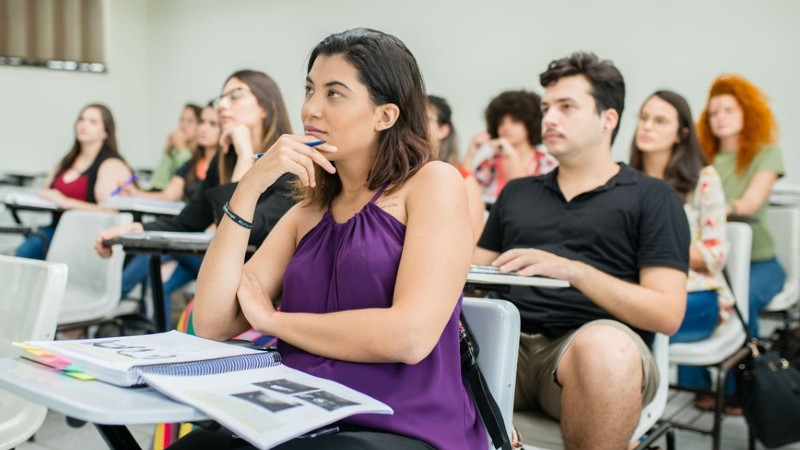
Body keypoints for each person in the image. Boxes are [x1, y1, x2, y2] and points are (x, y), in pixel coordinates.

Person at [172, 28, 485, 450]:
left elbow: (409, 337)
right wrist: (249, 187)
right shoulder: (308, 210)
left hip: (395, 421)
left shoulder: (433, 184)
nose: (310, 109)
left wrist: (274, 322)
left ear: (385, 115)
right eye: (309, 90)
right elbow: (211, 322)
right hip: (299, 411)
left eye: (334, 93)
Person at [473, 53, 690, 450]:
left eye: (566, 107)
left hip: (588, 351)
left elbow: (667, 313)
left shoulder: (653, 198)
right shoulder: (518, 192)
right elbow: (474, 273)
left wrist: (576, 272)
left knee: (606, 349)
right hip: (508, 346)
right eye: (546, 108)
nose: (549, 118)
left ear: (608, 119)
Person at [95, 70, 296, 325]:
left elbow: (240, 229)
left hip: (265, 292)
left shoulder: (288, 163)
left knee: (191, 313)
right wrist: (136, 228)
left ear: (266, 107)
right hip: (224, 282)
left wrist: (246, 154)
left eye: (235, 96)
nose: (222, 105)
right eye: (220, 98)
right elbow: (188, 221)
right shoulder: (223, 161)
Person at [630, 90, 736, 403]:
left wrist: (653, 251)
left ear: (681, 133)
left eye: (660, 120)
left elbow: (715, 254)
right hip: (639, 293)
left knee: (624, 329)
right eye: (644, 118)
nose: (647, 127)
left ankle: (633, 426)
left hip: (697, 297)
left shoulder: (704, 179)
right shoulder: (624, 179)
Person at [697, 74, 786, 338]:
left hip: (758, 263)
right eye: (713, 113)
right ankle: (699, 381)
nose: (720, 117)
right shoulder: (702, 157)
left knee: (741, 304)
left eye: (728, 110)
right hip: (715, 264)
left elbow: (750, 203)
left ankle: (743, 377)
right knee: (703, 306)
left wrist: (720, 210)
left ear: (747, 113)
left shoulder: (767, 153)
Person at [116, 103, 222, 308]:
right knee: (159, 278)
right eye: (202, 123)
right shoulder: (192, 164)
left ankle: (114, 297)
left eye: (213, 124)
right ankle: (154, 331)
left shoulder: (227, 166)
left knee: (154, 250)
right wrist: (136, 193)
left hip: (209, 249)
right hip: (189, 242)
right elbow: (169, 194)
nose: (204, 128)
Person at [15, 104, 132, 260]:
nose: (84, 125)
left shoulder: (109, 164)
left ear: (105, 132)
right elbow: (47, 191)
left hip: (85, 234)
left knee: (26, 253)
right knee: (22, 254)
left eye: (93, 121)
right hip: (56, 228)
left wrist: (66, 202)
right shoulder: (67, 161)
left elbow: (109, 211)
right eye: (81, 119)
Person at [463, 90, 557, 203]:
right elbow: (463, 193)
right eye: (501, 122)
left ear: (530, 124)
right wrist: (471, 154)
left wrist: (511, 154)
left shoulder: (546, 165)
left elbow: (525, 199)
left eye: (515, 121)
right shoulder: (490, 164)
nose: (506, 127)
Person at [427, 94, 486, 242]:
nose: (413, 125)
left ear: (443, 130)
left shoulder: (464, 180)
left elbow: (474, 239)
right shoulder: (395, 175)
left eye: (424, 119)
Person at [149, 104, 202, 191]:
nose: (183, 125)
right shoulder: (176, 150)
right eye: (181, 120)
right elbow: (158, 183)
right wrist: (167, 153)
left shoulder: (201, 152)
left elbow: (190, 181)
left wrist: (182, 149)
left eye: (190, 121)